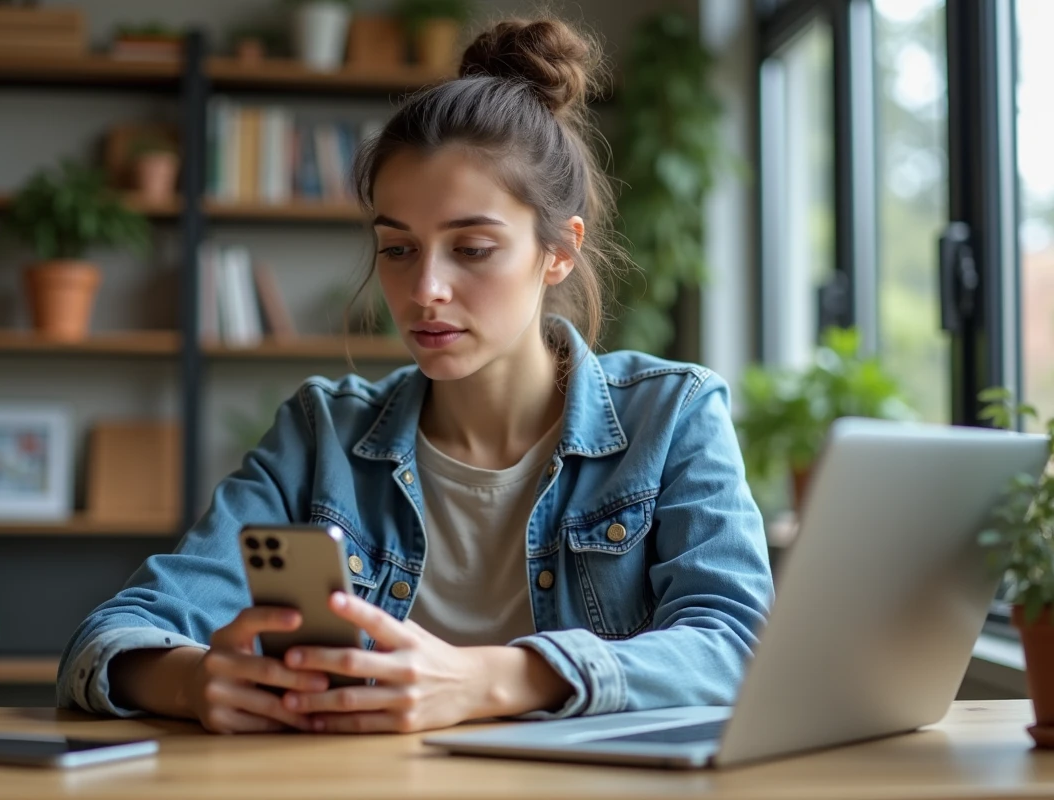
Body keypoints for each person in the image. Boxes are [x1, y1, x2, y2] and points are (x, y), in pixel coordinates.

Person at [56, 16, 773, 735]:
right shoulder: (322, 433)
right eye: (398, 250)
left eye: (473, 248)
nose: (425, 288)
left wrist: (496, 678)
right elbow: (111, 637)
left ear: (558, 252)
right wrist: (191, 681)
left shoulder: (671, 416)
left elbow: (737, 647)